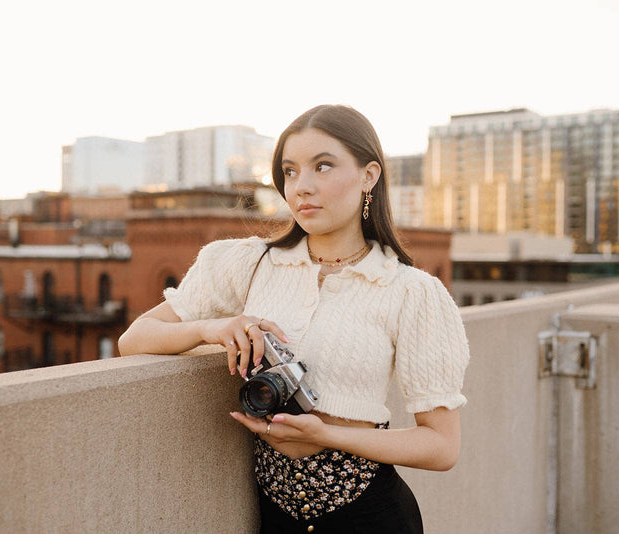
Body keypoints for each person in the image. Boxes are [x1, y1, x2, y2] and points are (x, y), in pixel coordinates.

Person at [118, 104, 470, 533]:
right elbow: (134, 339)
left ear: (369, 176)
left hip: (372, 516)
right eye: (290, 171)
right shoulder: (244, 264)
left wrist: (326, 435)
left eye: (323, 166)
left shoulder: (411, 292)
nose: (302, 187)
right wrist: (213, 328)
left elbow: (441, 446)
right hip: (273, 517)